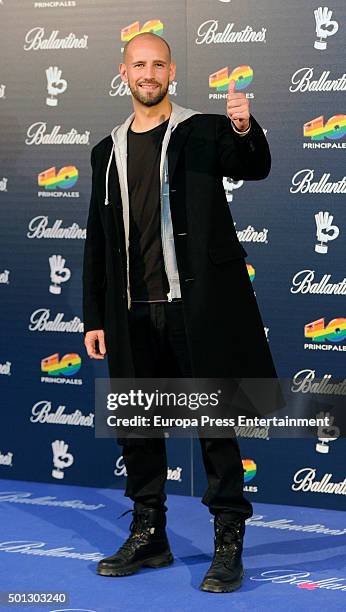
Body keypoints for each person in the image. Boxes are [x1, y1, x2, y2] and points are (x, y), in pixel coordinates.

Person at [83, 31, 279, 593]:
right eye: (139, 65)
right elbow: (98, 239)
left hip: (196, 310)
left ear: (172, 73)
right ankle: (151, 536)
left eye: (158, 65)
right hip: (131, 312)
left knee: (216, 426)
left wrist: (244, 126)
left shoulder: (203, 130)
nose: (149, 74)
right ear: (124, 73)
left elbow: (253, 165)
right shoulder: (106, 150)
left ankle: (227, 542)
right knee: (138, 429)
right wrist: (94, 315)